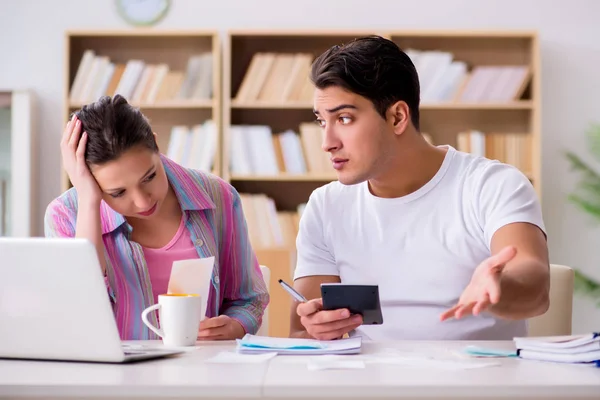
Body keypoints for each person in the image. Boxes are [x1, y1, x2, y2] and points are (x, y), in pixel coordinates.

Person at [290, 36, 550, 341]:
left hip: (478, 383)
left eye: (344, 118)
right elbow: (300, 332)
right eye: (322, 121)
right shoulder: (325, 205)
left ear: (397, 117)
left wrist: (499, 287)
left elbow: (535, 284)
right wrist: (317, 327)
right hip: (368, 384)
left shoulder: (492, 185)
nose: (327, 143)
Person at [45, 95, 269, 341]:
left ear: (155, 144)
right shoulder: (66, 215)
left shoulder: (217, 196)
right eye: (117, 193)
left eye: (149, 177)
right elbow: (77, 312)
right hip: (110, 377)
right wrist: (89, 201)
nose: (143, 202)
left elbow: (249, 299)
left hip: (201, 371)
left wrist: (235, 326)